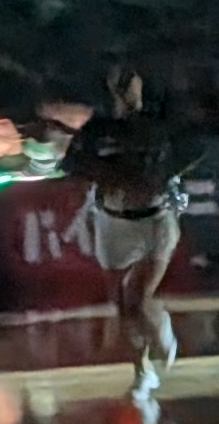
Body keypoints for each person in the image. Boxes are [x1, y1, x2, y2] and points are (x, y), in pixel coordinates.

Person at [72, 66, 191, 392]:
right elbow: (73, 164)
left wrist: (158, 182)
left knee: (138, 297)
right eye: (123, 86)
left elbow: (183, 159)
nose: (130, 92)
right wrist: (108, 176)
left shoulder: (157, 127)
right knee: (122, 305)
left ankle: (161, 331)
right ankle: (141, 369)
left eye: (133, 85)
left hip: (155, 220)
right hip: (113, 222)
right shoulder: (97, 130)